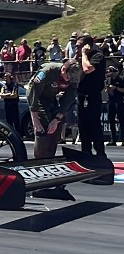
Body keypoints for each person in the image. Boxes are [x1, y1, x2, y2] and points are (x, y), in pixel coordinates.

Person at [26, 59, 82, 200]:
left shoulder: (74, 77)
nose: (70, 81)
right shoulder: (47, 72)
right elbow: (32, 93)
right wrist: (35, 120)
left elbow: (69, 99)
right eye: (68, 78)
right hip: (38, 97)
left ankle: (48, 163)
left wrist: (57, 119)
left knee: (55, 129)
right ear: (63, 70)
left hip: (51, 98)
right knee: (43, 127)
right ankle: (38, 166)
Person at [76, 35, 106, 157]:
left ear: (87, 46)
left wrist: (83, 54)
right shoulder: (80, 57)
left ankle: (100, 154)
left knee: (94, 124)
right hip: (81, 96)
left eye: (79, 46)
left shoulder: (97, 56)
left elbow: (88, 69)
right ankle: (86, 152)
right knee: (83, 126)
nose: (77, 48)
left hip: (92, 96)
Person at [105, 65, 124, 147]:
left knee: (122, 121)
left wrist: (115, 88)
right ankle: (113, 139)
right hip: (111, 101)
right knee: (111, 120)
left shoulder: (121, 79)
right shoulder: (109, 80)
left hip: (119, 101)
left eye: (110, 71)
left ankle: (123, 139)